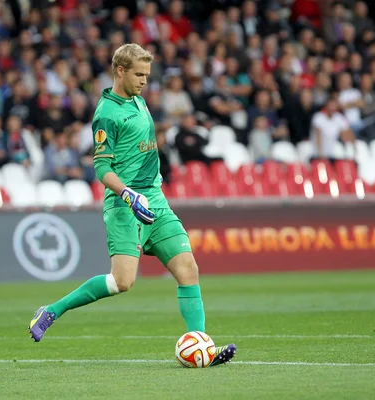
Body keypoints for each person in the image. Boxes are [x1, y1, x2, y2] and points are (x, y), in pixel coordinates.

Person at [28, 44, 236, 367]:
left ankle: (202, 346)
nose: (144, 82)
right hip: (124, 205)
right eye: (139, 75)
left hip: (155, 200)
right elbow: (101, 168)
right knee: (121, 282)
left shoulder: (139, 101)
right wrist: (129, 195)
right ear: (120, 71)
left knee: (188, 269)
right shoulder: (106, 114)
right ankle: (52, 310)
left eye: (147, 76)